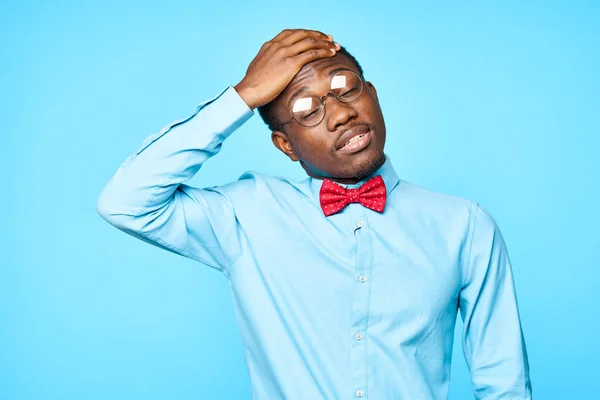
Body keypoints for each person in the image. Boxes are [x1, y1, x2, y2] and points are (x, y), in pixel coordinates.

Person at [97, 29, 531, 399]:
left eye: (347, 88)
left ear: (373, 95)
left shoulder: (465, 226)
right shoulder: (244, 217)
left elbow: (505, 385)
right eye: (307, 110)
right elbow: (125, 201)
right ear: (286, 146)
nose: (342, 113)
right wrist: (242, 97)